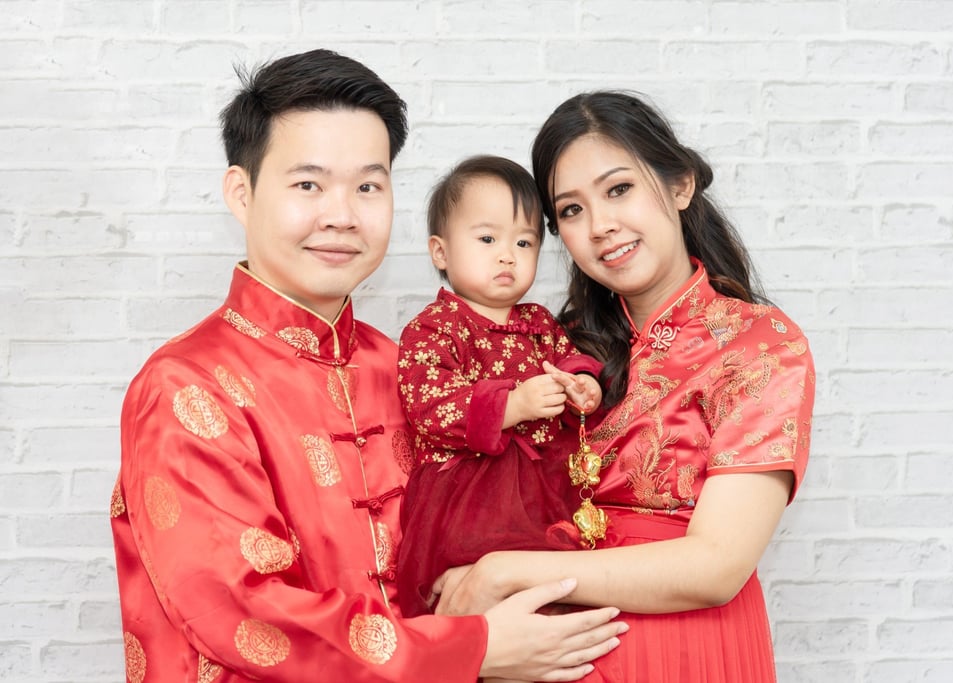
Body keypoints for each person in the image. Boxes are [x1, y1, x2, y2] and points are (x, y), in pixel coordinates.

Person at [108, 50, 626, 683]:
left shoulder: (402, 365)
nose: (342, 215)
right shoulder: (184, 386)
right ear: (241, 194)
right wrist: (473, 647)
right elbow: (238, 610)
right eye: (308, 184)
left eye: (368, 186)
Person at [432, 91, 816, 682]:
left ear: (681, 184)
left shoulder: (756, 343)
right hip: (546, 656)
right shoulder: (554, 351)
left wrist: (503, 573)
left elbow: (716, 567)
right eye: (571, 211)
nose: (601, 227)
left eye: (618, 190)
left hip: (689, 654)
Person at [394, 155, 604, 618]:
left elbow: (567, 360)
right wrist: (512, 405)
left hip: (543, 486)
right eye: (488, 239)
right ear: (441, 251)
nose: (507, 254)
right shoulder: (436, 327)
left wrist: (581, 385)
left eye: (524, 242)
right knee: (478, 590)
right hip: (473, 493)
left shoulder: (539, 322)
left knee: (553, 593)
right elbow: (428, 404)